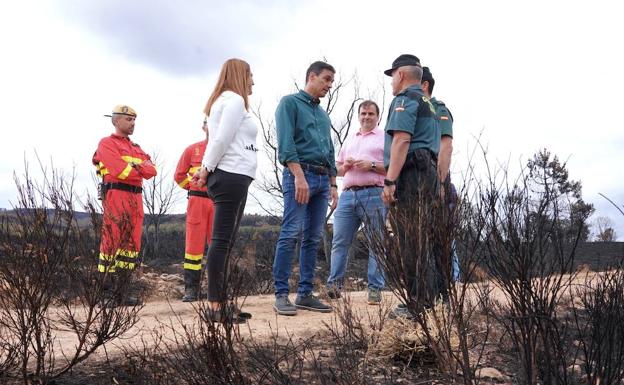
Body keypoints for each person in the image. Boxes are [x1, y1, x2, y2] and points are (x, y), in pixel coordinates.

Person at [273, 61, 339, 316]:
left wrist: (333, 184)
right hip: (300, 175)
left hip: (323, 180)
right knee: (290, 233)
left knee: (313, 238)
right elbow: (286, 143)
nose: (329, 86)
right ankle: (281, 294)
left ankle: (304, 294)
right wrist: (298, 176)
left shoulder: (323, 115)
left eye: (331, 81)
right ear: (312, 76)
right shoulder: (289, 103)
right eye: (326, 79)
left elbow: (330, 150)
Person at [194, 58, 257, 324]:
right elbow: (220, 139)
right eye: (251, 75)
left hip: (232, 176)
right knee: (221, 242)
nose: (253, 81)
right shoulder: (233, 101)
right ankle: (216, 306)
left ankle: (222, 301)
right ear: (240, 75)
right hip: (230, 175)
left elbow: (216, 138)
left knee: (225, 242)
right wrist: (206, 169)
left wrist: (206, 169)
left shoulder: (222, 102)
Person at [380, 54, 441, 317]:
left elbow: (402, 141)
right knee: (421, 237)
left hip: (411, 173)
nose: (392, 82)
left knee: (410, 238)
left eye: (392, 75)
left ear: (401, 75)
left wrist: (390, 180)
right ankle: (426, 299)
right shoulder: (429, 103)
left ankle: (418, 302)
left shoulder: (404, 100)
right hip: (427, 171)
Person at [93, 104, 157, 306]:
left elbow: (152, 171)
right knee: (111, 240)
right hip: (116, 194)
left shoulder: (136, 148)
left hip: (136, 198)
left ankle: (124, 291)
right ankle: (107, 292)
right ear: (116, 121)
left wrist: (136, 167)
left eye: (134, 120)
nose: (133, 123)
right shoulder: (106, 143)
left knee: (131, 245)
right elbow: (121, 171)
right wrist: (138, 168)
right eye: (128, 120)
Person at [326, 100, 387, 305]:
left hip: (374, 194)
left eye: (371, 114)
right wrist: (346, 165)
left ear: (377, 116)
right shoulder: (351, 138)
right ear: (358, 115)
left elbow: (392, 167)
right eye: (363, 113)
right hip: (348, 195)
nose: (366, 117)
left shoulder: (385, 137)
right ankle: (334, 286)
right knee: (339, 242)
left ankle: (375, 289)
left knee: (375, 243)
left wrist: (370, 165)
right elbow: (338, 169)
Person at [421, 66, 460, 282]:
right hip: (419, 180)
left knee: (442, 237)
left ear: (424, 85)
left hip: (436, 179)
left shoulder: (438, 109)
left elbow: (446, 147)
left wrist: (441, 183)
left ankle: (450, 284)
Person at [174, 118, 215, 302]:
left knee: (218, 245)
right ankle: (191, 290)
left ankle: (217, 289)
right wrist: (192, 188)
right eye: (209, 122)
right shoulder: (192, 150)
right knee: (193, 247)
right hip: (197, 202)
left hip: (218, 202)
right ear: (203, 126)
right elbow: (179, 176)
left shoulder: (227, 151)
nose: (212, 126)